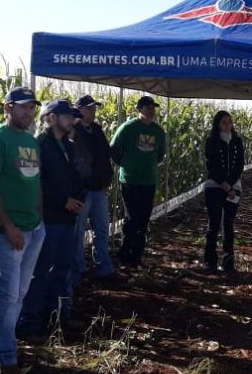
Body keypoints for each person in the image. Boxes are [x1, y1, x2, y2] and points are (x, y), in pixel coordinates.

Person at [0, 86, 46, 374]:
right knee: (8, 296)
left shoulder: (30, 140)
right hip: (8, 234)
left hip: (33, 229)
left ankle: (1, 345)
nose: (28, 113)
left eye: (32, 107)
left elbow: (35, 182)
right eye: (22, 107)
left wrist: (39, 219)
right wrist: (9, 226)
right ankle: (7, 359)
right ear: (7, 108)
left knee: (19, 293)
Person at [19, 100, 84, 337]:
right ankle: (31, 322)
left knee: (63, 269)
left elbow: (75, 176)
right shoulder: (39, 146)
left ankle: (57, 318)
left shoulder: (68, 145)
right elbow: (37, 183)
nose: (72, 120)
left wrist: (77, 198)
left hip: (67, 218)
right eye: (67, 116)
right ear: (51, 118)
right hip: (49, 218)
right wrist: (62, 200)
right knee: (41, 271)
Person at [110, 95, 167, 269]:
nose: (151, 111)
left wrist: (147, 166)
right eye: (148, 107)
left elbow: (160, 155)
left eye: (153, 108)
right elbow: (113, 149)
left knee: (143, 219)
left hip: (148, 181)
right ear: (139, 109)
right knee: (132, 218)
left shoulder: (158, 131)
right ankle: (125, 253)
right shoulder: (128, 128)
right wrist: (125, 165)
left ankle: (136, 255)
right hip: (130, 181)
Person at [71, 94, 120, 282]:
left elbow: (106, 154)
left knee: (101, 230)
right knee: (78, 232)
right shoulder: (73, 132)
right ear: (79, 110)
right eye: (89, 108)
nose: (93, 112)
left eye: (94, 108)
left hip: (99, 189)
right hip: (82, 191)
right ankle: (79, 269)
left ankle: (104, 267)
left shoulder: (97, 130)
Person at [203, 110, 246, 273]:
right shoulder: (211, 141)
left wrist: (231, 185)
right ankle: (210, 261)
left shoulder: (237, 141)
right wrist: (225, 185)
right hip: (215, 187)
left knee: (228, 225)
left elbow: (239, 165)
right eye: (224, 122)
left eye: (229, 122)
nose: (227, 125)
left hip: (234, 188)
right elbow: (211, 166)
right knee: (213, 224)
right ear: (218, 124)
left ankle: (228, 261)